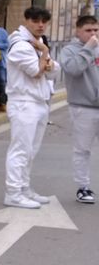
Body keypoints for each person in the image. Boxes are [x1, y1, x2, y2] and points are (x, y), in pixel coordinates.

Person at [3, 6, 61, 209]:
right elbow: (36, 71)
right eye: (36, 20)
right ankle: (13, 192)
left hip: (39, 101)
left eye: (44, 21)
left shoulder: (37, 42)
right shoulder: (20, 44)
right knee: (20, 149)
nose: (41, 25)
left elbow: (54, 70)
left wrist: (46, 61)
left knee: (31, 150)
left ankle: (24, 188)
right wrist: (44, 54)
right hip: (23, 102)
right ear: (26, 20)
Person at [57, 15, 99, 205]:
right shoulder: (69, 51)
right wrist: (88, 49)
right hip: (83, 107)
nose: (93, 34)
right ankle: (83, 187)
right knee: (82, 150)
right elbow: (73, 69)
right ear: (78, 31)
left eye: (96, 30)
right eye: (88, 30)